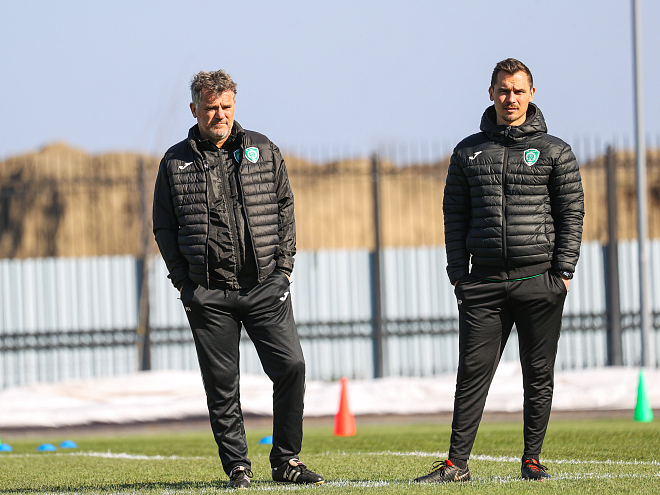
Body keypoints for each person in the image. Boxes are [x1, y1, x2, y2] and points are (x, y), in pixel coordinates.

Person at [415, 58, 584, 483]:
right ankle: (456, 465)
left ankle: (532, 460)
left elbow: (571, 213)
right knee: (471, 374)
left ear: (532, 94)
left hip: (539, 280)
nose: (511, 98)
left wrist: (563, 272)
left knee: (538, 374)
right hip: (483, 283)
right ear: (490, 94)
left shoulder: (555, 150)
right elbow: (454, 215)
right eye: (504, 90)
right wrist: (459, 275)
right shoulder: (467, 151)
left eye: (518, 90)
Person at [152, 70, 324, 489]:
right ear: (194, 109)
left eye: (226, 106)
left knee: (292, 367)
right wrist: (185, 285)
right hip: (208, 294)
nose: (220, 115)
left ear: (234, 105)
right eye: (211, 108)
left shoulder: (263, 149)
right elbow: (164, 227)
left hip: (265, 286)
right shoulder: (174, 162)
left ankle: (286, 461)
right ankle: (237, 468)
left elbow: (285, 208)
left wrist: (283, 270)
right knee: (222, 386)